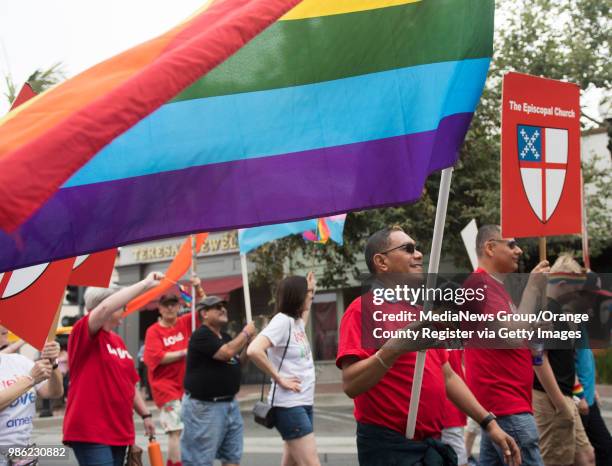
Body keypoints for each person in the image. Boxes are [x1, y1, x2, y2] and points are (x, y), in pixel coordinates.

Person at [336, 226, 522, 466]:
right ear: (382, 262)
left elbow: (447, 375)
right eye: (408, 249)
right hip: (389, 448)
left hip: (430, 443)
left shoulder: (418, 311)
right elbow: (351, 384)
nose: (419, 254)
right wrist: (392, 350)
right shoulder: (362, 309)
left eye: (417, 248)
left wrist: (489, 423)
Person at [463, 225, 549, 466]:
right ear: (490, 247)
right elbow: (512, 335)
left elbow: (514, 335)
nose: (519, 250)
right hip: (505, 404)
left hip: (505, 405)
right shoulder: (479, 286)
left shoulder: (494, 287)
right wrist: (532, 286)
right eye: (511, 244)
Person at [63, 273, 162, 466]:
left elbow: (129, 384)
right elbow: (105, 307)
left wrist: (146, 415)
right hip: (92, 431)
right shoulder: (82, 333)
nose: (125, 309)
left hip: (119, 430)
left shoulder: (117, 341)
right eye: (122, 306)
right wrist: (145, 284)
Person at [247, 272, 320, 466]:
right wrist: (279, 378)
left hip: (302, 401)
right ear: (297, 296)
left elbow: (305, 313)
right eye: (307, 293)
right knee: (311, 463)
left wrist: (311, 286)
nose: (310, 296)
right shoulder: (281, 321)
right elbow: (254, 350)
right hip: (288, 405)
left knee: (292, 463)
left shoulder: (295, 323)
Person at [532, 255, 595, 466]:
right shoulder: (546, 312)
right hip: (550, 397)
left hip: (566, 395)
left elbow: (566, 360)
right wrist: (560, 403)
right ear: (562, 284)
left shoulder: (562, 313)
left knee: (586, 457)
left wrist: (575, 395)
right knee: (556, 459)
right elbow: (539, 361)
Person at [181, 296, 257, 466]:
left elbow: (238, 362)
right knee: (199, 461)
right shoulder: (201, 335)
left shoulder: (225, 336)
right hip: (205, 407)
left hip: (230, 404)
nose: (223, 309)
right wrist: (245, 333)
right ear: (204, 313)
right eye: (217, 307)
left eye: (224, 306)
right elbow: (226, 353)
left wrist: (249, 346)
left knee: (232, 458)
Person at [144, 276, 205, 466]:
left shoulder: (185, 323)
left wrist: (199, 288)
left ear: (179, 307)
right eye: (166, 305)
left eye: (173, 305)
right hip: (166, 388)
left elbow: (205, 310)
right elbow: (157, 357)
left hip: (185, 387)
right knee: (175, 430)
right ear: (160, 309)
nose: (170, 308)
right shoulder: (153, 331)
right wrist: (184, 352)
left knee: (187, 431)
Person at [0, 333, 63, 465]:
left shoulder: (19, 361)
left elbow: (54, 392)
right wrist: (30, 379)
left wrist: (53, 363)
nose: (4, 326)